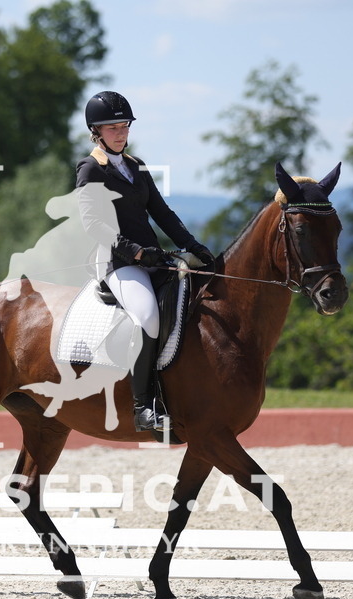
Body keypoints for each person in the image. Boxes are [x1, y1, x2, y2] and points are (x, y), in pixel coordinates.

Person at [76, 90, 215, 432]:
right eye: (113, 128)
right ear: (96, 131)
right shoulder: (91, 168)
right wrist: (135, 252)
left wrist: (192, 245)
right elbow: (93, 223)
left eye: (125, 126)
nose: (121, 133)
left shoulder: (136, 166)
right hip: (118, 263)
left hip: (153, 257)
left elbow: (162, 213)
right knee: (149, 317)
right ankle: (143, 407)